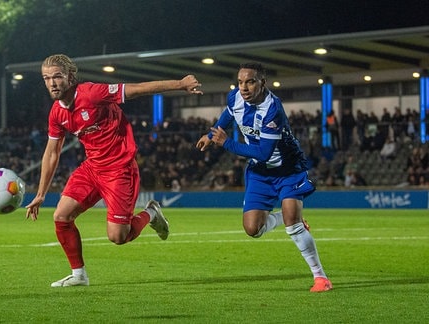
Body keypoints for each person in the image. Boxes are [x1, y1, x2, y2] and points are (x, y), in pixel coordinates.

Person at [25, 54, 202, 287]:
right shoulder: (57, 113)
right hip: (91, 168)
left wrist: (180, 84)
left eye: (57, 76)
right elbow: (51, 153)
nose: (52, 83)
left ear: (70, 77)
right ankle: (79, 275)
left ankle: (151, 213)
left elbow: (137, 89)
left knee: (118, 237)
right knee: (61, 216)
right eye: (46, 78)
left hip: (120, 169)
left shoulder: (92, 93)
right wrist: (40, 194)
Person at [195, 62, 332, 292]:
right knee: (253, 229)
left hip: (288, 169)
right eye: (240, 82)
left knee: (293, 224)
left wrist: (225, 142)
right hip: (260, 172)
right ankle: (290, 218)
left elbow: (264, 152)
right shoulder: (235, 98)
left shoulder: (273, 110)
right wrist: (211, 134)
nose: (244, 88)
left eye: (249, 82)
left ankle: (320, 277)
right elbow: (228, 115)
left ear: (262, 83)